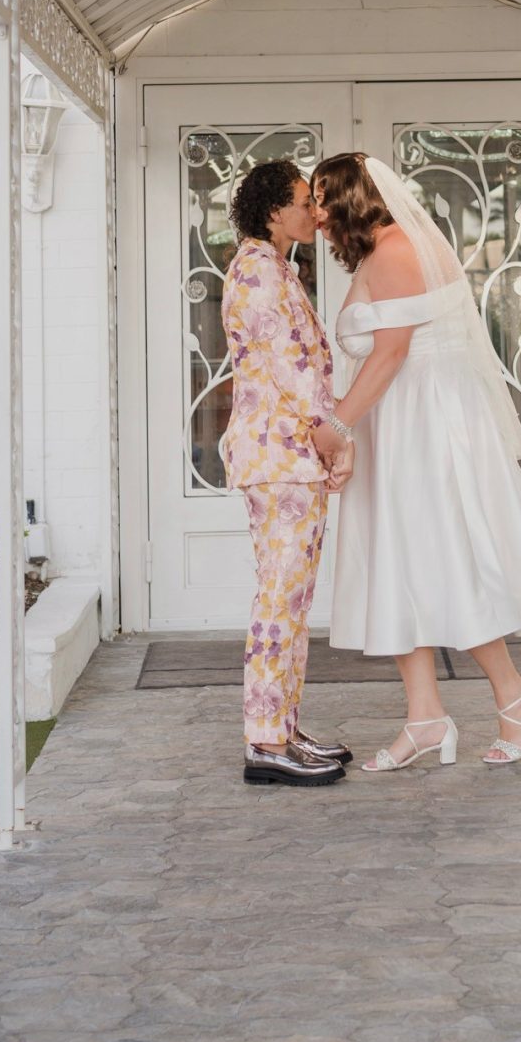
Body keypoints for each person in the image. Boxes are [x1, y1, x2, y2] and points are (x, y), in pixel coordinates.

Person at [309, 151, 521, 772]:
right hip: (396, 425)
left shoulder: (396, 250)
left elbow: (392, 353)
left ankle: (516, 695)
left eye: (323, 198)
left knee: (445, 562)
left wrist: (338, 425)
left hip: (423, 430)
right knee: (400, 566)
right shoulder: (381, 252)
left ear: (353, 197)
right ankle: (425, 716)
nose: (317, 213)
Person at [218, 159, 356, 788]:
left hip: (287, 454)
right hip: (278, 456)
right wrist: (332, 432)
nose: (315, 212)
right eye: (305, 201)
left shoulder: (274, 267)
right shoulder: (257, 270)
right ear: (275, 209)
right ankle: (267, 741)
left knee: (293, 601)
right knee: (280, 598)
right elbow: (291, 367)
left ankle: (283, 728)